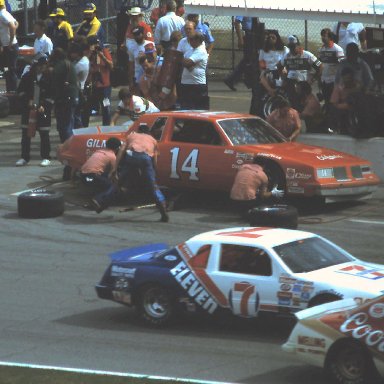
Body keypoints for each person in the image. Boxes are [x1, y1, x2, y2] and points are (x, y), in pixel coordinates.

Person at [112, 124, 169, 222]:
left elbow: (121, 150)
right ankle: (163, 213)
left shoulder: (132, 136)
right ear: (148, 132)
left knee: (120, 181)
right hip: (146, 158)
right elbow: (154, 161)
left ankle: (101, 201)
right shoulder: (153, 140)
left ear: (138, 131)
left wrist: (115, 168)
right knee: (154, 188)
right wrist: (155, 174)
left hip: (132, 157)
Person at [15, 53, 53, 167]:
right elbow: (20, 92)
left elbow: (52, 95)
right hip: (28, 110)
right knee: (26, 134)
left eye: (44, 65)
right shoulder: (27, 76)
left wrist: (44, 105)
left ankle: (46, 157)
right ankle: (24, 157)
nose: (42, 67)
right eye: (40, 65)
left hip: (43, 111)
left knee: (44, 133)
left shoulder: (50, 77)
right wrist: (28, 101)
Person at [251, 30, 288, 116]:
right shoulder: (263, 51)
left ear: (277, 39)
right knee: (262, 77)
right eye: (269, 37)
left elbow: (287, 62)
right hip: (268, 72)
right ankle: (270, 91)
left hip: (280, 71)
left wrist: (285, 69)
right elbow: (261, 65)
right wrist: (263, 72)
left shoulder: (284, 49)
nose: (271, 39)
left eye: (273, 37)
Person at [280, 35, 322, 110]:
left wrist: (313, 79)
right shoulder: (287, 56)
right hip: (291, 83)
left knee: (305, 105)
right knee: (292, 105)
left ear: (298, 45)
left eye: (293, 47)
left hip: (304, 84)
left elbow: (320, 66)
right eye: (290, 47)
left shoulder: (307, 55)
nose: (291, 49)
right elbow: (279, 66)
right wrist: (284, 78)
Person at [80, 137, 121, 213]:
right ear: (117, 148)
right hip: (92, 176)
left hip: (83, 176)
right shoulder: (112, 156)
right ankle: (97, 200)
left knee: (100, 182)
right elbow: (113, 173)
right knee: (112, 186)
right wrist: (118, 184)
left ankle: (92, 203)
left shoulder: (98, 151)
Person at [50, 47, 79, 143]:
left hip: (63, 98)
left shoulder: (59, 66)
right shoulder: (69, 64)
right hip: (73, 96)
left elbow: (54, 83)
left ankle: (67, 146)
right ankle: (69, 144)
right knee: (69, 122)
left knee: (64, 125)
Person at [223, 16, 258, 91]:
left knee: (249, 59)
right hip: (249, 35)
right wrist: (240, 39)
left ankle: (234, 79)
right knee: (248, 59)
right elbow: (237, 22)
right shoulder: (244, 10)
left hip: (254, 34)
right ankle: (234, 79)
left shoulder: (253, 10)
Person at [87, 35, 113, 126]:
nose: (96, 46)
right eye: (94, 44)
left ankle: (106, 126)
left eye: (97, 44)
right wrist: (90, 54)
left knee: (106, 107)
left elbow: (111, 66)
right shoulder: (89, 54)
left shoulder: (104, 51)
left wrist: (102, 56)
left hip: (104, 86)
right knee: (88, 107)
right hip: (93, 86)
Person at [179, 32, 209, 110]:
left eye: (192, 39)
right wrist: (186, 63)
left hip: (197, 84)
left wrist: (183, 61)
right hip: (186, 83)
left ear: (198, 40)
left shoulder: (201, 51)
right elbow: (185, 63)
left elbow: (187, 62)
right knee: (186, 108)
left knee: (198, 109)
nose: (190, 41)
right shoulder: (189, 51)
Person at [318, 28, 344, 111]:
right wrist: (319, 79)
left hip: (333, 81)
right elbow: (320, 64)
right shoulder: (321, 49)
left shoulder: (337, 49)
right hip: (324, 80)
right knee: (327, 101)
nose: (322, 38)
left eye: (324, 36)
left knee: (335, 102)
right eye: (321, 36)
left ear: (330, 37)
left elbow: (342, 65)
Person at [68, 39, 90, 128]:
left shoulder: (80, 64)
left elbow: (70, 75)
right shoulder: (84, 59)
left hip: (78, 91)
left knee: (76, 115)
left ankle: (78, 133)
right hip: (80, 89)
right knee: (77, 114)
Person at [127, 26, 153, 92]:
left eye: (138, 34)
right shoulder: (132, 48)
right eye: (135, 35)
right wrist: (131, 82)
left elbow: (154, 61)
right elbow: (131, 65)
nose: (137, 36)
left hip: (149, 76)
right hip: (138, 78)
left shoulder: (150, 44)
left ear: (143, 34)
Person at [0, 0, 19, 92]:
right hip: (6, 46)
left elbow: (13, 26)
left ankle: (12, 90)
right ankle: (10, 90)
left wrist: (11, 41)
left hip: (10, 47)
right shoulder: (6, 13)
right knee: (7, 69)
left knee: (10, 69)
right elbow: (16, 23)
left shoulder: (2, 14)